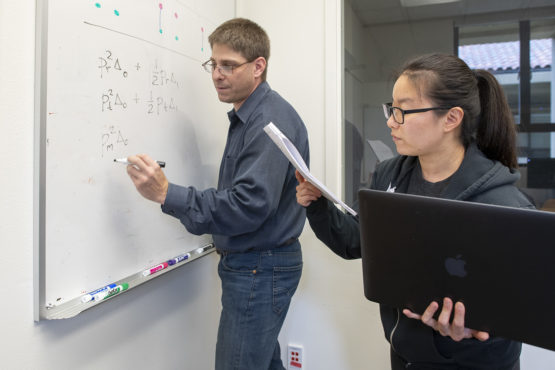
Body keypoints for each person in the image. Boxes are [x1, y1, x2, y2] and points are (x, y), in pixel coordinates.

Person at [296, 53, 534, 370]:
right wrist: (318, 204)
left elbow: (524, 307)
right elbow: (354, 241)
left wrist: (476, 330)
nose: (391, 121)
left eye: (403, 111)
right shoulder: (390, 175)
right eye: (391, 109)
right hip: (406, 357)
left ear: (451, 118)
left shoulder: (502, 204)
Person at [124, 18, 309, 370]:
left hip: (259, 267)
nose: (217, 74)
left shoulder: (268, 120)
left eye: (228, 65)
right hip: (257, 266)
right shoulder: (251, 116)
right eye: (213, 64)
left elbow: (248, 205)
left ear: (258, 67)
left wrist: (167, 193)